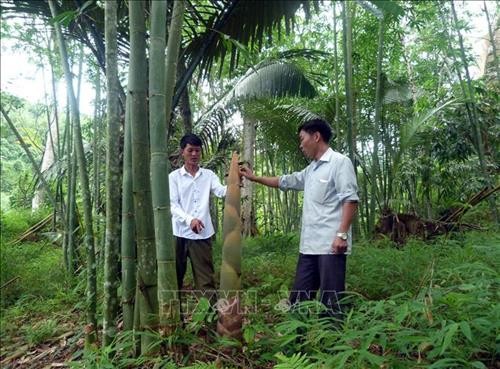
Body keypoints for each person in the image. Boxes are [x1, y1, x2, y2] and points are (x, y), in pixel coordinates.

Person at [239, 118, 358, 317]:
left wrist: (342, 235)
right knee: (299, 299)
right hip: (309, 247)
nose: (300, 144)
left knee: (331, 301)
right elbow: (285, 181)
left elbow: (350, 200)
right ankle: (296, 342)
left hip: (331, 247)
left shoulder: (339, 162)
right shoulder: (311, 169)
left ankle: (332, 342)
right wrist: (254, 178)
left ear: (316, 137)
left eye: (302, 139)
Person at [169, 133, 226, 307]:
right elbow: (172, 204)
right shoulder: (174, 177)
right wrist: (189, 219)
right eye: (190, 150)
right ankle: (174, 321)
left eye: (197, 151)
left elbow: (221, 191)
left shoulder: (208, 175)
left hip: (201, 235)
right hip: (178, 234)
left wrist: (235, 181)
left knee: (206, 281)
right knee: (173, 279)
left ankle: (209, 324)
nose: (194, 154)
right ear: (182, 152)